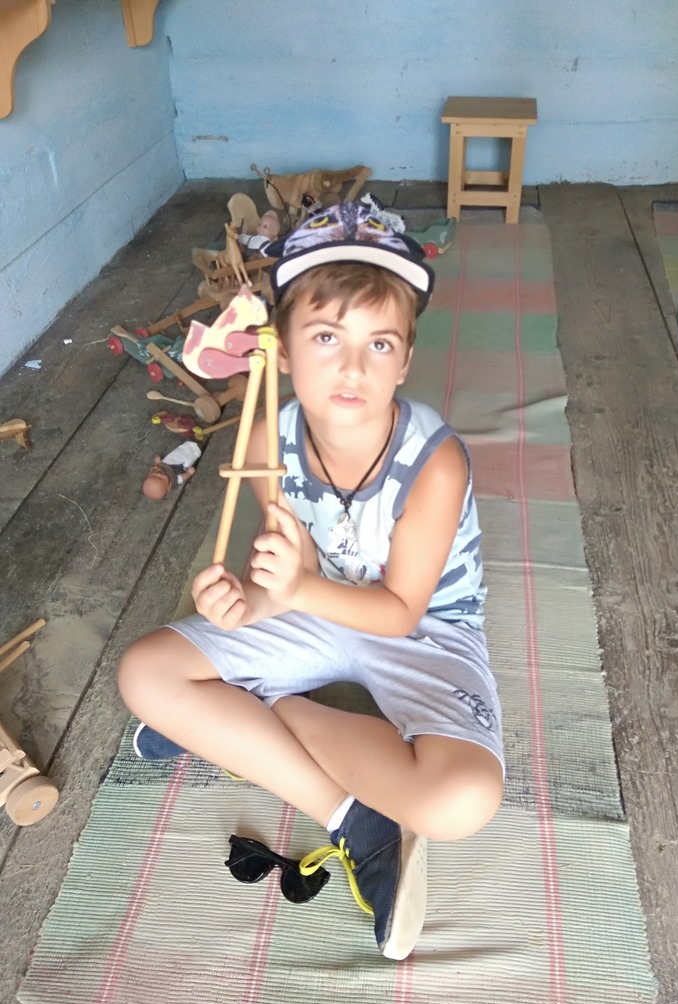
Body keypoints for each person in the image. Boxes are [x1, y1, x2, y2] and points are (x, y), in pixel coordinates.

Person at [118, 202, 504, 961]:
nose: (352, 368)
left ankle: (260, 714)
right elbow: (282, 564)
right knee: (143, 673)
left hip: (425, 631)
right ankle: (353, 819)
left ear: (405, 359)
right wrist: (248, 600)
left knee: (461, 801)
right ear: (286, 349)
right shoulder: (270, 437)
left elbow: (399, 612)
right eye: (326, 337)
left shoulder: (435, 462)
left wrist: (289, 592)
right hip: (316, 608)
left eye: (378, 343)